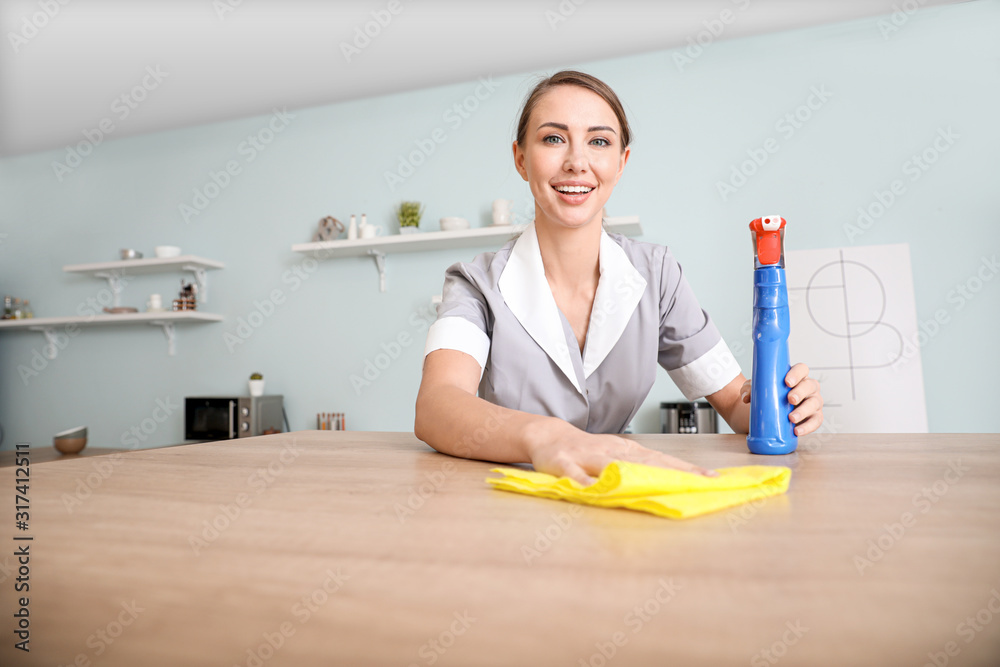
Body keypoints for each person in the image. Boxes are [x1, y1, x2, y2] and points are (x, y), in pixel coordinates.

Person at [414, 70, 823, 485]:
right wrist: (547, 438)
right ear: (521, 158)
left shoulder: (657, 275)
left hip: (617, 494)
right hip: (512, 497)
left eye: (599, 141)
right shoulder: (474, 283)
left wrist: (783, 402)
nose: (577, 162)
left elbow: (736, 402)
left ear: (621, 162)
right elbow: (437, 405)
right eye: (553, 139)